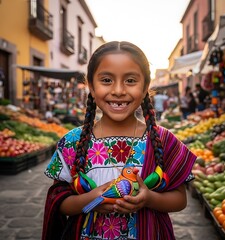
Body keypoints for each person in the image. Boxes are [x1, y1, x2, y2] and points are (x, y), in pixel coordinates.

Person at [42, 41, 196, 240]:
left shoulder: (164, 140)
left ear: (146, 87)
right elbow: (59, 201)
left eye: (130, 80)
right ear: (90, 85)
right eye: (106, 80)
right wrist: (91, 199)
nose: (118, 90)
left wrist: (149, 199)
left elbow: (180, 199)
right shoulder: (72, 142)